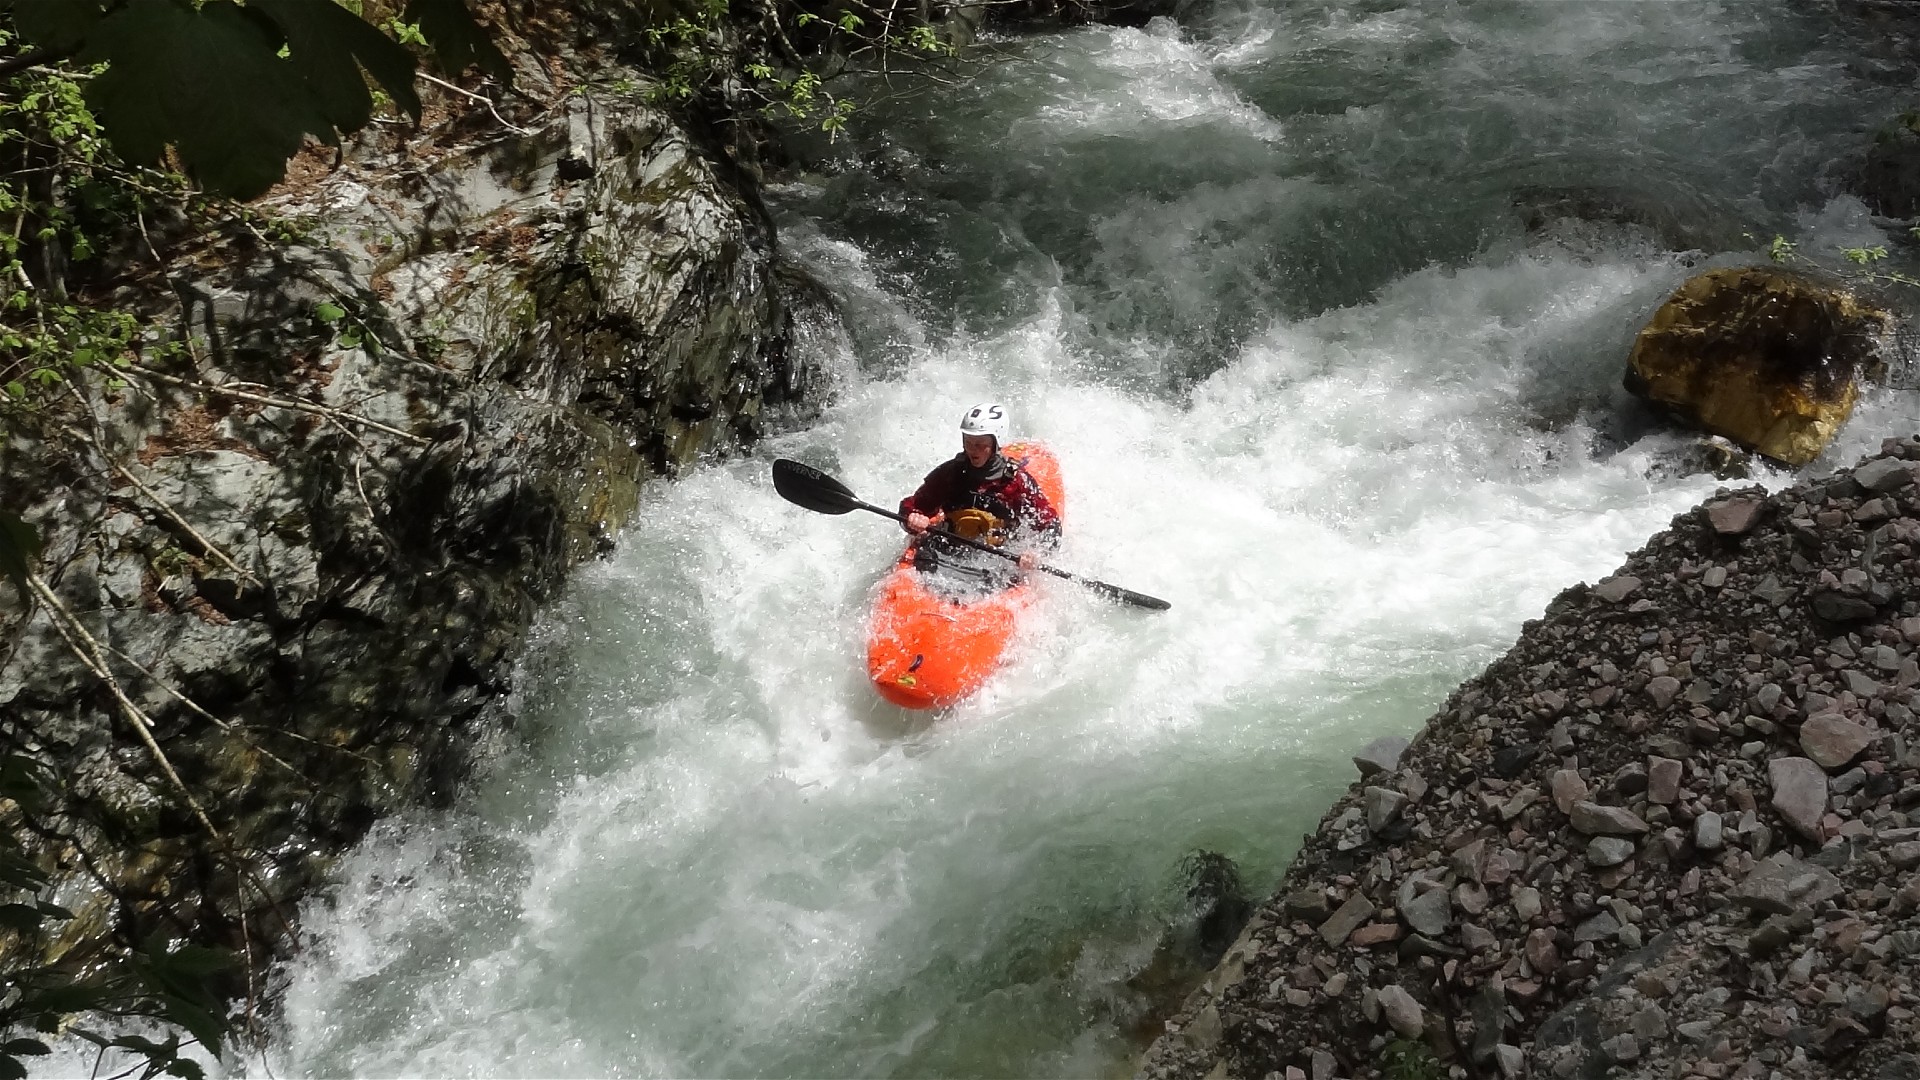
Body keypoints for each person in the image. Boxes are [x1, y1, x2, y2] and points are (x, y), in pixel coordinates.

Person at [900, 402, 1061, 573]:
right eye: (968, 442)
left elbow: (1051, 526)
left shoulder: (1016, 482)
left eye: (979, 444)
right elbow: (911, 506)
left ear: (995, 444)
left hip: (996, 560)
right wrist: (913, 518)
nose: (972, 450)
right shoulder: (951, 473)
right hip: (949, 550)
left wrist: (1035, 553)